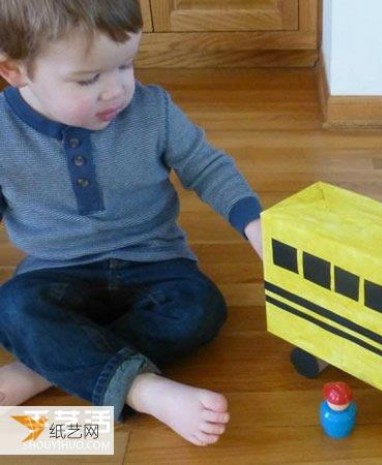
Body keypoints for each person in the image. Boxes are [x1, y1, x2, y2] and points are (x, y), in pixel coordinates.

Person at [0, 0, 263, 447]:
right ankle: (142, 388)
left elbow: (206, 166)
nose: (117, 90)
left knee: (200, 309)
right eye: (88, 79)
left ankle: (47, 364)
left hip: (155, 260)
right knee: (12, 310)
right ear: (15, 71)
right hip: (57, 269)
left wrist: (254, 224)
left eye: (126, 65)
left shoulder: (153, 109)